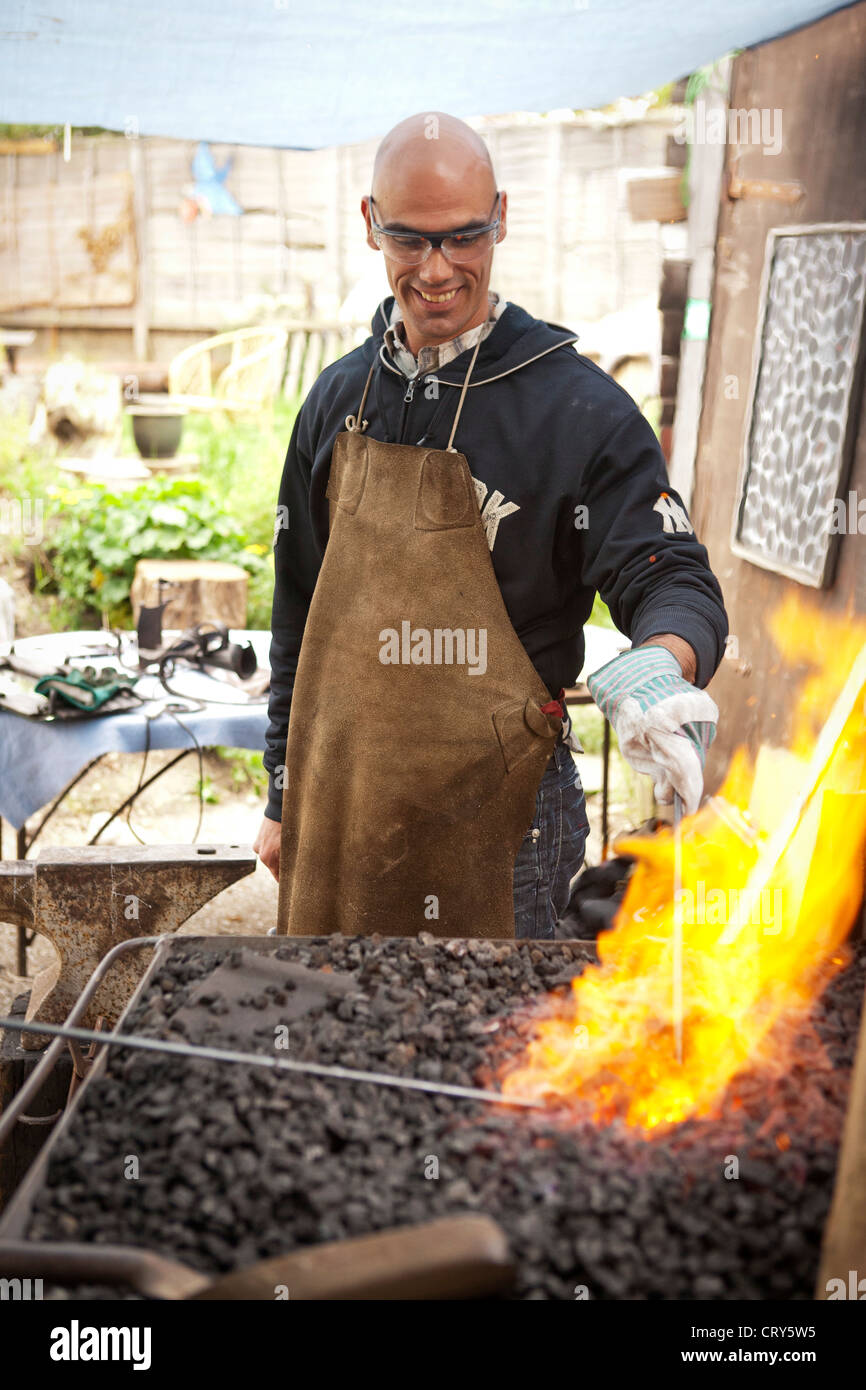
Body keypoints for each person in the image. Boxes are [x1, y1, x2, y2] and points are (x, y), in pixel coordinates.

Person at [254, 111, 727, 940]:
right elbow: (297, 611)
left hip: (505, 826)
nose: (437, 270)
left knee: (490, 1058)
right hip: (346, 807)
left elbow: (673, 577)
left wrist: (662, 665)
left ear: (501, 218)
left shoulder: (579, 412)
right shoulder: (338, 401)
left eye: (464, 237)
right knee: (347, 1041)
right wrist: (283, 795)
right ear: (371, 226)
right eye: (411, 240)